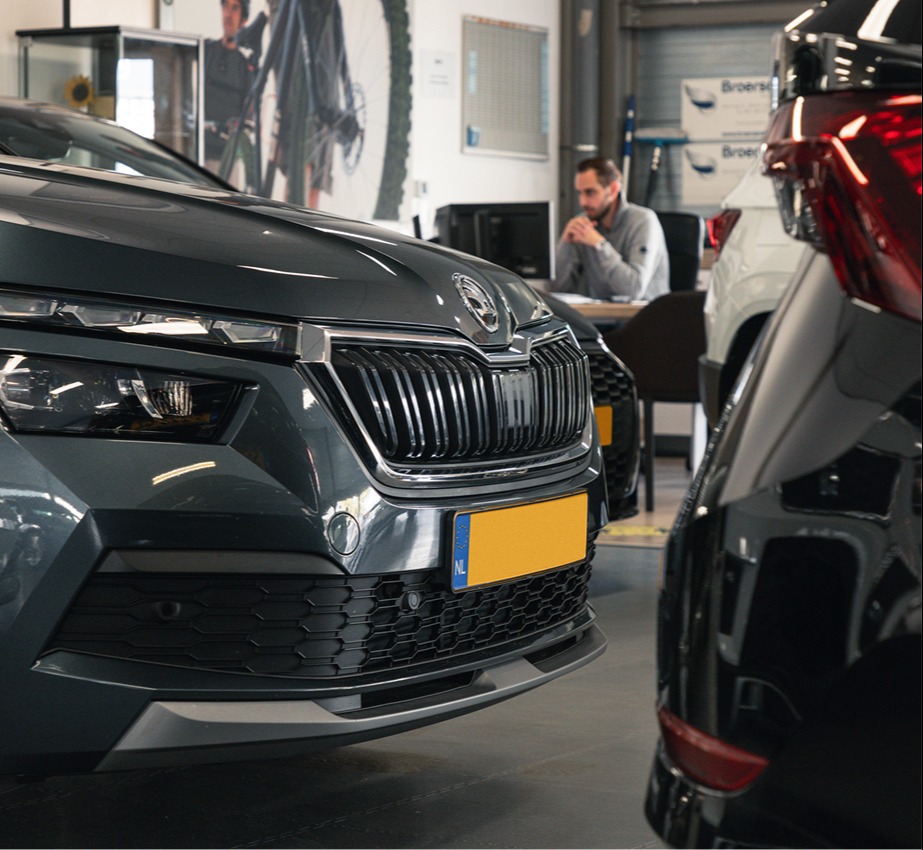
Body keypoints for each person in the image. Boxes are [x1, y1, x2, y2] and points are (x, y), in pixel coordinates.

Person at [551, 157, 670, 301]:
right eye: (579, 193)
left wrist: (600, 245)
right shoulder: (584, 225)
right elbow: (557, 289)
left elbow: (634, 289)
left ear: (613, 189)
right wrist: (565, 245)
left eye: (590, 192)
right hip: (600, 313)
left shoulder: (644, 221)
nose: (582, 202)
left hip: (645, 313)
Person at [204, 0, 255, 172]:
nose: (228, 14)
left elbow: (250, 118)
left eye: (235, 8)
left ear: (244, 19)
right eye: (225, 6)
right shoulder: (207, 51)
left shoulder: (246, 67)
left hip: (229, 160)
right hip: (199, 154)